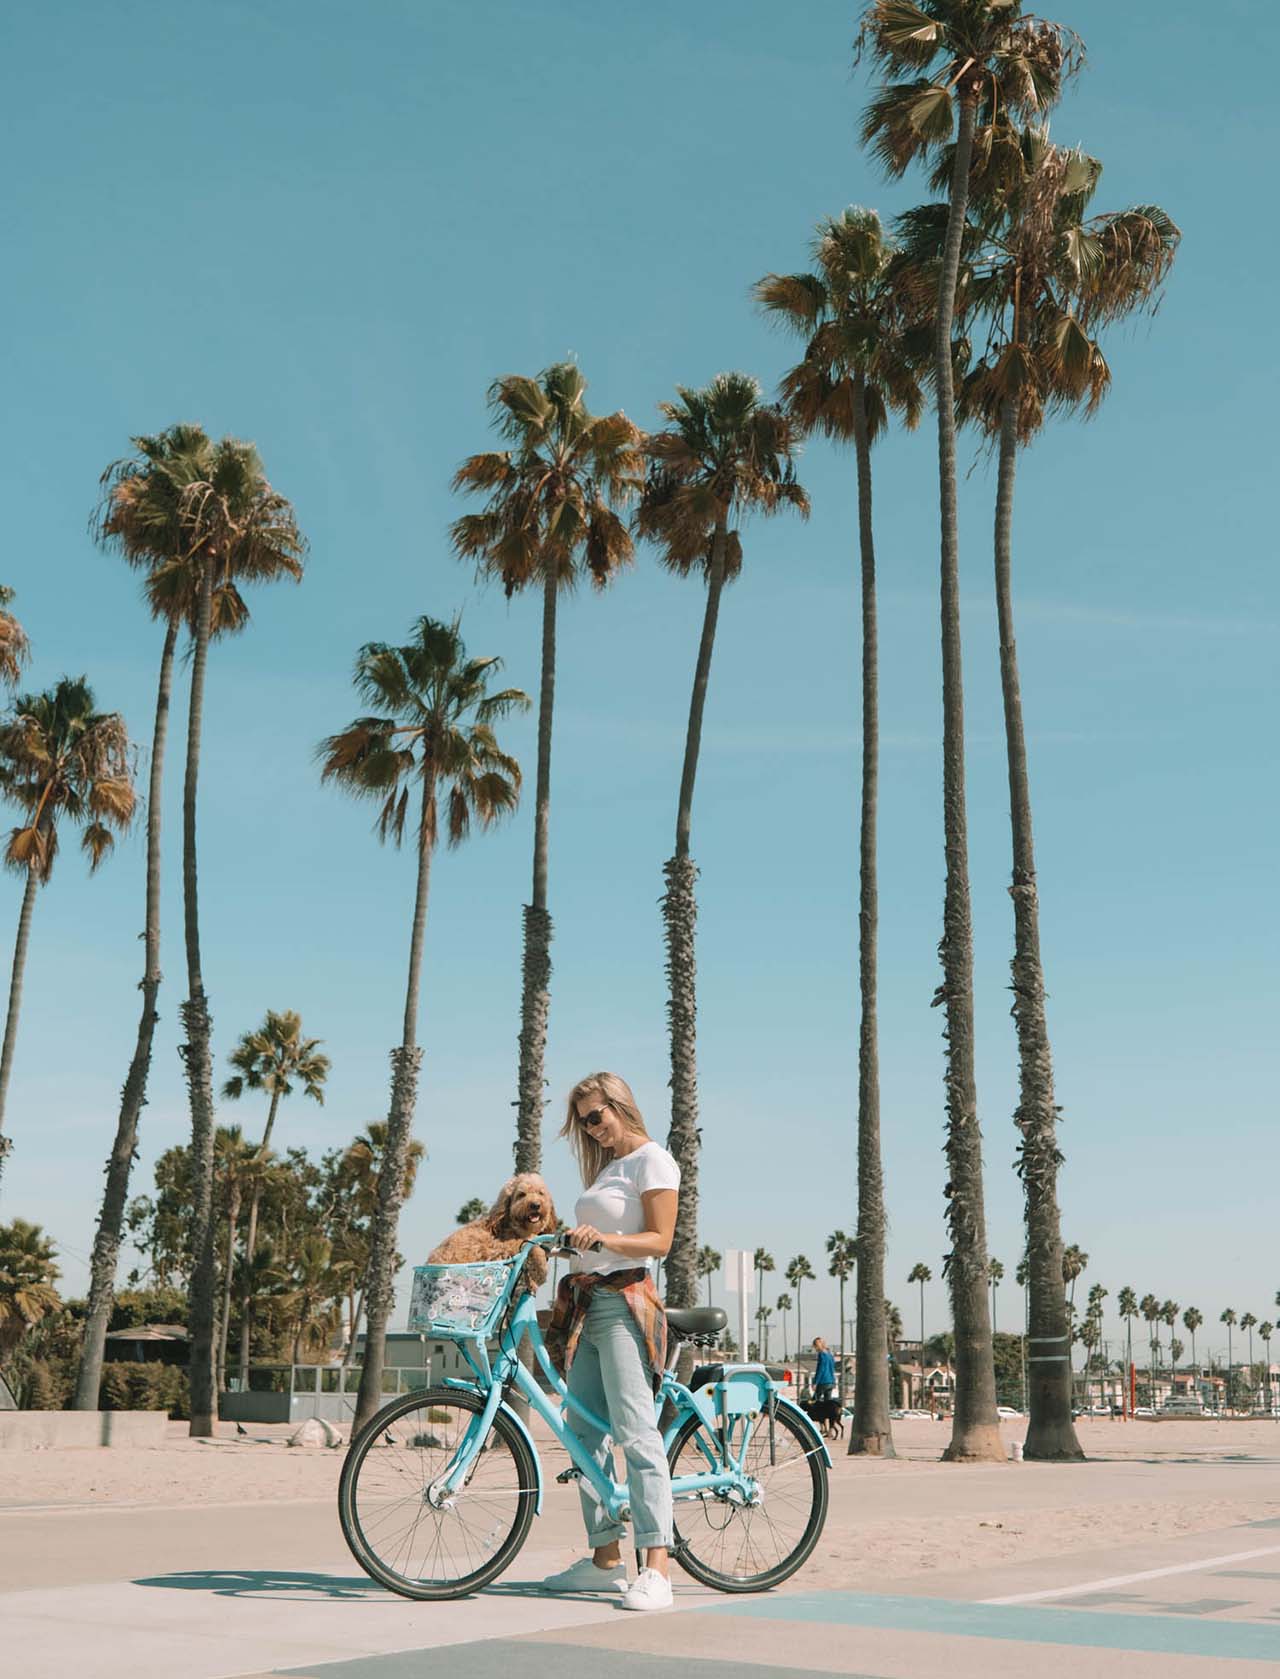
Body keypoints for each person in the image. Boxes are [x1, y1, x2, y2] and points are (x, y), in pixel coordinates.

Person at [539, 1072, 681, 1613]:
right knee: (583, 1434)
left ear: (621, 1105)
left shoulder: (652, 1160)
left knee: (636, 1432)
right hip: (587, 1303)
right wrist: (564, 1246)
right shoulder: (607, 1171)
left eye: (597, 1116)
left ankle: (657, 1568)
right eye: (583, 1122)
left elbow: (660, 1241)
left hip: (625, 1301)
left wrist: (606, 1239)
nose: (592, 1128)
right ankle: (604, 1560)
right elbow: (592, 1244)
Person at [812, 1337, 836, 1403]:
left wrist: (815, 1382)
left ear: (817, 1346)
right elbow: (832, 1369)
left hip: (823, 1382)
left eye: (815, 1347)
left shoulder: (821, 1355)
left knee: (814, 1401)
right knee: (828, 1403)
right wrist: (833, 1381)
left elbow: (820, 1369)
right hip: (830, 1382)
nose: (815, 1349)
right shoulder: (830, 1355)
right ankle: (828, 1413)